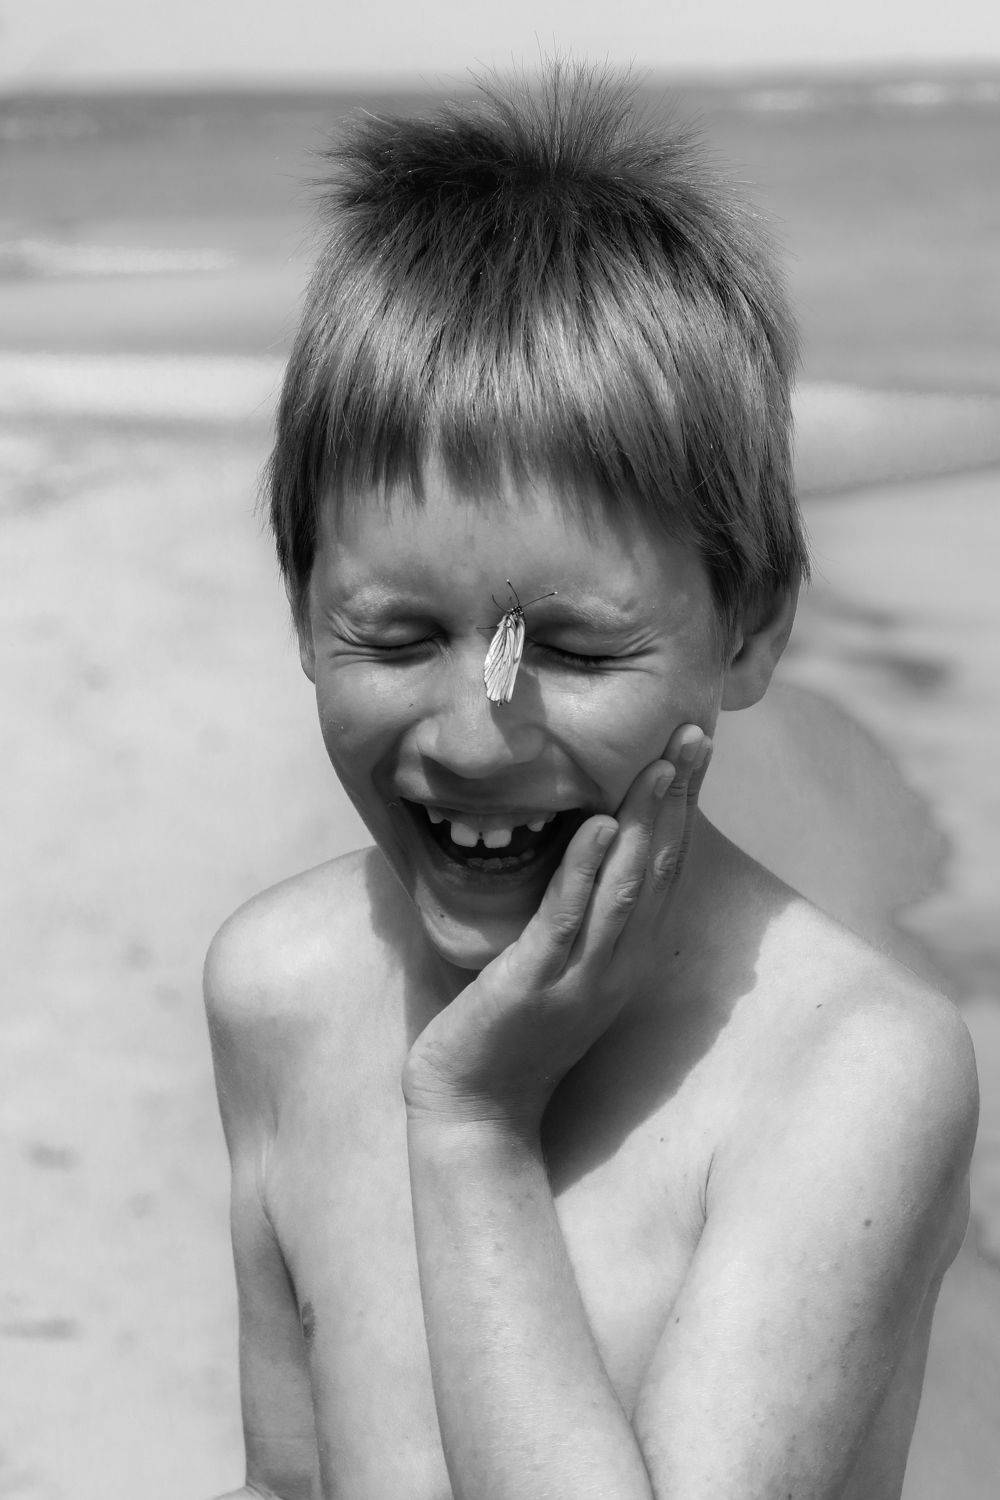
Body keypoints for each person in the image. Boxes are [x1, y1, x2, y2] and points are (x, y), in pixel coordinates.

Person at [204, 63, 978, 1499]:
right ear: (302, 609)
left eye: (568, 646)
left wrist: (475, 1131)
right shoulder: (283, 993)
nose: (477, 737)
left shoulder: (850, 1071)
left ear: (748, 628)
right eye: (395, 637)